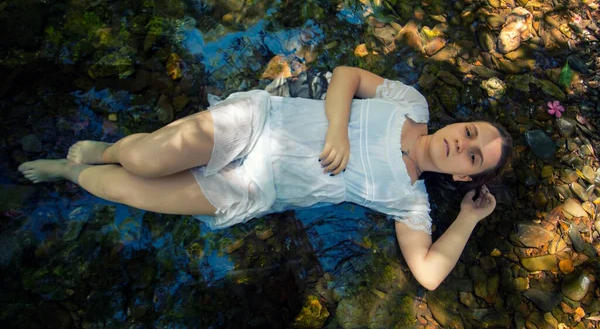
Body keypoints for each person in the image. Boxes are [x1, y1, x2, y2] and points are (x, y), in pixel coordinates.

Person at [18, 66, 512, 290]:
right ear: (459, 122)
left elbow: (427, 275)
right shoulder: (412, 105)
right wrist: (338, 129)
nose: (462, 145)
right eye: (470, 133)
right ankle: (110, 148)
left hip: (256, 188)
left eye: (472, 158)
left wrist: (468, 218)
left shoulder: (410, 202)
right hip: (260, 123)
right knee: (145, 159)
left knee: (128, 191)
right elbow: (347, 76)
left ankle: (73, 170)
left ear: (464, 177)